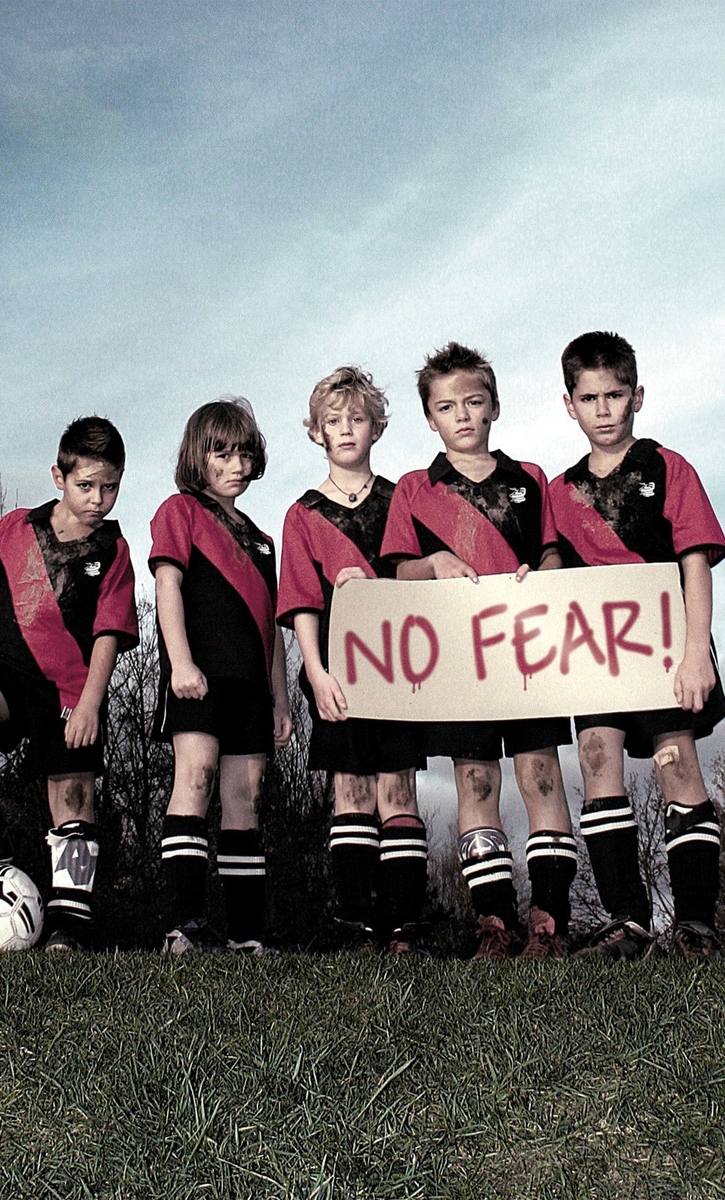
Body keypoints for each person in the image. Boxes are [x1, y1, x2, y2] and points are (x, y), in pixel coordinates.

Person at [381, 341, 578, 959]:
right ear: (430, 418)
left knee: (542, 775)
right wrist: (432, 563)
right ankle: (493, 922)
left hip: (526, 655)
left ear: (494, 406)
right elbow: (394, 573)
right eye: (447, 406)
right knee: (474, 781)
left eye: (473, 401)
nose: (462, 415)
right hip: (458, 662)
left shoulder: (531, 479)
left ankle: (549, 920)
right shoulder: (414, 488)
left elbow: (553, 551)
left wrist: (541, 571)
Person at [0, 416, 139, 952]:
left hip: (72, 693)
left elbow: (111, 632)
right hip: (9, 676)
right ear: (58, 477)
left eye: (109, 486)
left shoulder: (114, 551)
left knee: (73, 799)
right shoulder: (14, 528)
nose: (98, 499)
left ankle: (69, 929)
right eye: (85, 485)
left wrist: (91, 702)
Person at [550, 331, 725, 960]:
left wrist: (695, 650)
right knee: (597, 759)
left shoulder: (668, 467)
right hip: (596, 656)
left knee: (676, 761)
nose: (604, 409)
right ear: (569, 404)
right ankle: (626, 920)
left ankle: (697, 924)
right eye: (589, 397)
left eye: (616, 395)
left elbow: (695, 560)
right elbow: (553, 569)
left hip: (665, 648)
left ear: (638, 397)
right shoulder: (559, 490)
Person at [277, 366, 428, 955]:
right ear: (316, 432)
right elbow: (301, 603)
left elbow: (419, 586)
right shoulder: (303, 513)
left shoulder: (401, 500)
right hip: (337, 672)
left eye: (357, 419)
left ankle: (405, 927)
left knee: (400, 790)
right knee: (351, 792)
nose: (346, 430)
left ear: (376, 427)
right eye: (333, 421)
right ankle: (356, 926)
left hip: (399, 670)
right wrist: (314, 673)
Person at [150, 396, 292, 955]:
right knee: (197, 776)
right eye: (221, 453)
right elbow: (167, 587)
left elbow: (272, 626)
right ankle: (181, 928)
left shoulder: (262, 539)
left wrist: (281, 700)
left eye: (244, 454)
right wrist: (180, 661)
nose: (235, 465)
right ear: (197, 457)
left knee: (245, 798)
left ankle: (246, 938)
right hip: (199, 676)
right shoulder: (179, 511)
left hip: (252, 685)